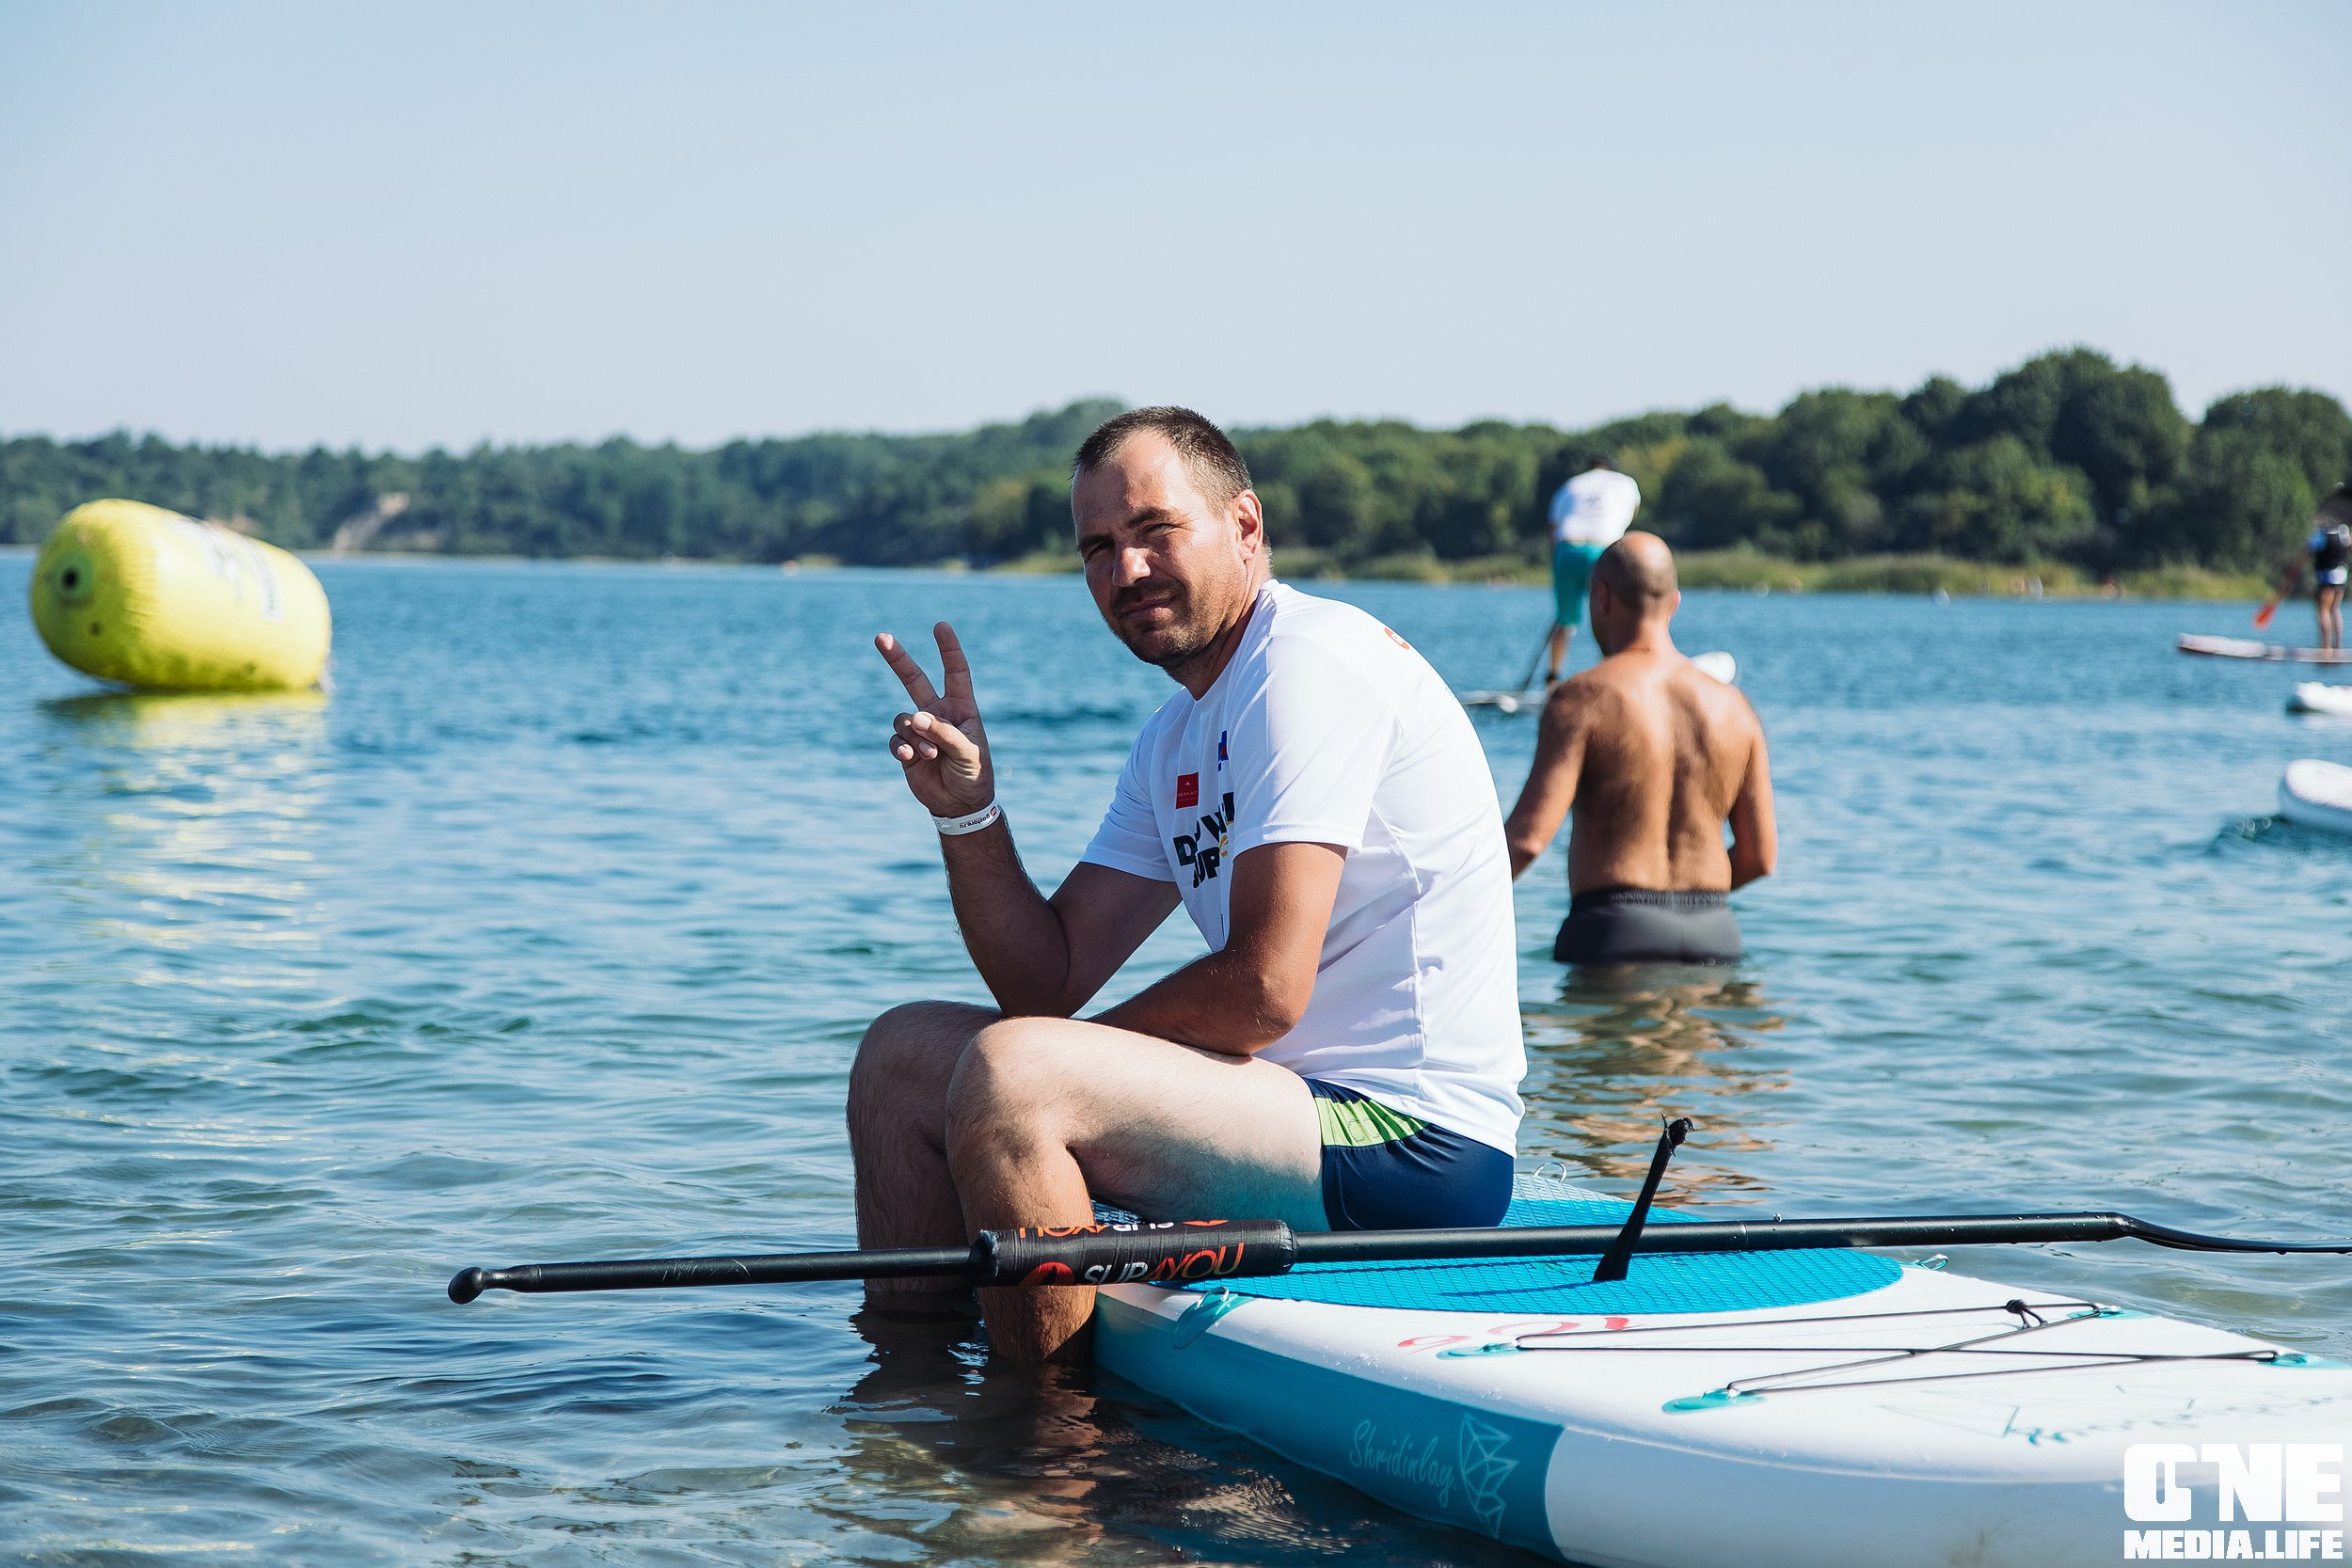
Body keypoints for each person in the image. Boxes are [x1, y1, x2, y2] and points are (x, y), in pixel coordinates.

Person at [850, 406, 1525, 1364]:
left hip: (1411, 1145)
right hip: (1283, 1110)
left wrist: (1049, 1069)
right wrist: (969, 811)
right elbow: (1046, 981)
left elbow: (1263, 987)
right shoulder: (1175, 735)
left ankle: (1042, 1458)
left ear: (1244, 526)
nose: (1124, 571)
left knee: (1016, 1075)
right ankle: (910, 1392)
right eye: (1097, 547)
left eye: (1153, 531)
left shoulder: (1305, 666)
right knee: (901, 1055)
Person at [1503, 532, 1775, 965]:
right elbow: (1759, 858)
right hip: (1714, 932)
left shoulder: (1582, 698)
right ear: (1674, 602)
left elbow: (1528, 841)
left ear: (1602, 597)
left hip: (1611, 929)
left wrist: (1442, 902)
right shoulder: (1735, 707)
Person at [1544, 456, 1643, 685]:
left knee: (1565, 619)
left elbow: (1552, 527)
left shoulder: (1570, 485)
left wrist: (1558, 567)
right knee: (1611, 615)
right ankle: (1610, 679)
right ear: (1609, 469)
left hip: (1566, 551)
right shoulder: (1625, 483)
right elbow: (1631, 513)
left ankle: (1552, 679)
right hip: (1603, 551)